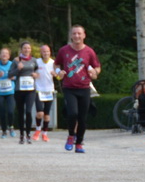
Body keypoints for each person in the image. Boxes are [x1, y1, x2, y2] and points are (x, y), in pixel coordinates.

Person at [56, 25, 100, 153]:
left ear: (84, 35)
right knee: (72, 113)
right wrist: (59, 71)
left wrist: (95, 73)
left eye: (79, 34)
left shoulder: (89, 51)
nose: (77, 36)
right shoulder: (64, 50)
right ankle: (71, 135)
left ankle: (79, 143)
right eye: (74, 34)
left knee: (82, 117)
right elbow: (56, 63)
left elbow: (97, 67)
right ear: (71, 35)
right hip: (69, 87)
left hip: (84, 88)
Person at [12, 42, 42, 144]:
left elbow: (38, 72)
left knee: (28, 111)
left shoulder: (34, 61)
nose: (26, 50)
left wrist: (36, 74)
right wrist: (18, 69)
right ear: (21, 49)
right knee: (21, 112)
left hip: (30, 90)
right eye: (24, 48)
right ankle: (21, 135)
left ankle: (28, 134)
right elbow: (9, 74)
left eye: (28, 48)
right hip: (19, 90)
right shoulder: (16, 61)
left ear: (30, 50)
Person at [34, 43, 57, 141]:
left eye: (47, 51)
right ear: (41, 52)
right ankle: (38, 130)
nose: (45, 53)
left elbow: (59, 76)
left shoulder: (53, 62)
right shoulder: (37, 62)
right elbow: (31, 72)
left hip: (49, 91)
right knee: (40, 113)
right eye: (43, 51)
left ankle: (45, 133)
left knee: (47, 115)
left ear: (50, 52)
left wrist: (56, 74)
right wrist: (34, 75)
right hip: (39, 90)